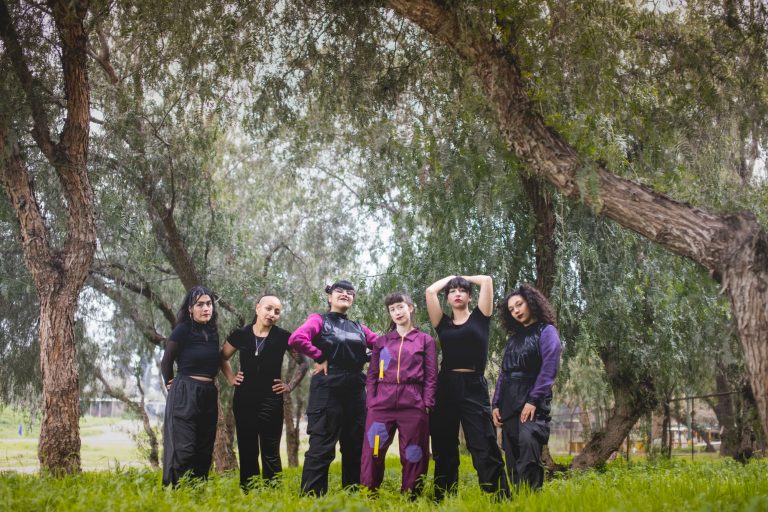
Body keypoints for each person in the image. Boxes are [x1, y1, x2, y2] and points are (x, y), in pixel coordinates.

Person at [288, 279, 377, 496]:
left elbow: (383, 346)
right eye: (340, 291)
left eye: (350, 292)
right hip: (327, 388)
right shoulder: (319, 320)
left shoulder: (359, 328)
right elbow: (297, 339)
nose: (345, 294)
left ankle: (352, 496)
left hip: (356, 390)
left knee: (355, 445)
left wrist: (367, 356)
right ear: (330, 297)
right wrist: (320, 356)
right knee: (322, 445)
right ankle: (312, 497)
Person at [426, 275, 509, 500]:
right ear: (447, 298)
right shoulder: (442, 323)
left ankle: (498, 496)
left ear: (470, 297)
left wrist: (462, 278)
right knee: (444, 444)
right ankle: (443, 496)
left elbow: (487, 280)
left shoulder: (481, 317)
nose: (457, 294)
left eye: (462, 290)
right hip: (446, 386)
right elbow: (430, 292)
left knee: (483, 442)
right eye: (453, 291)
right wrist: (452, 278)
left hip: (474, 386)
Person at [220, 294, 308, 490]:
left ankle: (272, 493)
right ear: (257, 308)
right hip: (244, 400)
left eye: (277, 311)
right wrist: (231, 378)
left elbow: (303, 363)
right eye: (268, 308)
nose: (272, 314)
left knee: (270, 451)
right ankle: (249, 492)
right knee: (247, 449)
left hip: (271, 400)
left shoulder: (283, 336)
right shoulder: (241, 335)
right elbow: (223, 357)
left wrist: (289, 386)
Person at [360, 292, 438, 496]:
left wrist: (427, 403)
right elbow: (372, 375)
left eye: (400, 307)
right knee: (373, 450)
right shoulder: (381, 342)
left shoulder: (425, 340)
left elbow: (431, 375)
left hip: (413, 404)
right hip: (381, 405)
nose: (397, 312)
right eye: (392, 309)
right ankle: (369, 494)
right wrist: (371, 401)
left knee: (414, 452)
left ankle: (411, 496)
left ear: (410, 308)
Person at [492, 284, 562, 491]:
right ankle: (518, 498)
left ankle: (532, 497)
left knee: (528, 444)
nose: (516, 311)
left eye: (519, 304)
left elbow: (549, 369)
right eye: (511, 309)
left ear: (531, 303)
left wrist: (533, 400)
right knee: (511, 451)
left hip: (532, 401)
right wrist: (495, 404)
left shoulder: (547, 331)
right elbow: (504, 374)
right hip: (509, 401)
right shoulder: (513, 339)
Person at [161, 286, 220, 487]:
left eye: (209, 304)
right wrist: (170, 383)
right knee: (184, 449)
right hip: (185, 392)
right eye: (200, 304)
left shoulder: (213, 331)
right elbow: (166, 360)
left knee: (204, 449)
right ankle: (178, 493)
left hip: (208, 394)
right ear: (190, 309)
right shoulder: (183, 330)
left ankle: (197, 493)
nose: (206, 308)